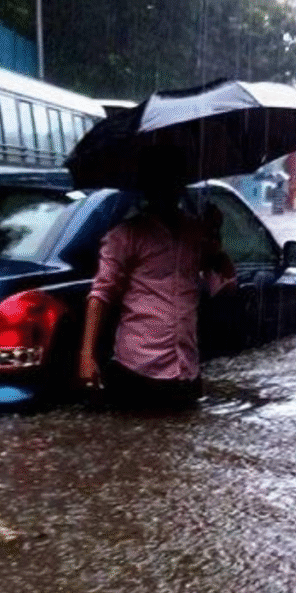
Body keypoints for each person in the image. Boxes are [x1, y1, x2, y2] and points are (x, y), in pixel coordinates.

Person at [78, 148, 236, 411]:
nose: (167, 188)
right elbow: (100, 295)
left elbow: (226, 287)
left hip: (185, 369)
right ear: (147, 188)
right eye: (159, 181)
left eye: (174, 181)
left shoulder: (195, 233)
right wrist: (86, 355)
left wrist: (216, 240)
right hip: (137, 369)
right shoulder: (125, 236)